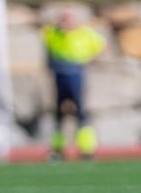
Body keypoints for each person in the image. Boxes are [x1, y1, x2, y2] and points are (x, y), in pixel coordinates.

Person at [42, 9, 104, 161]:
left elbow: (100, 45)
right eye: (63, 19)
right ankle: (57, 149)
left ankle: (87, 149)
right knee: (58, 113)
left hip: (76, 73)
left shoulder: (84, 33)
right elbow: (44, 35)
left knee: (81, 111)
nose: (66, 23)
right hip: (59, 73)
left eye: (69, 19)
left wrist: (89, 59)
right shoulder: (54, 33)